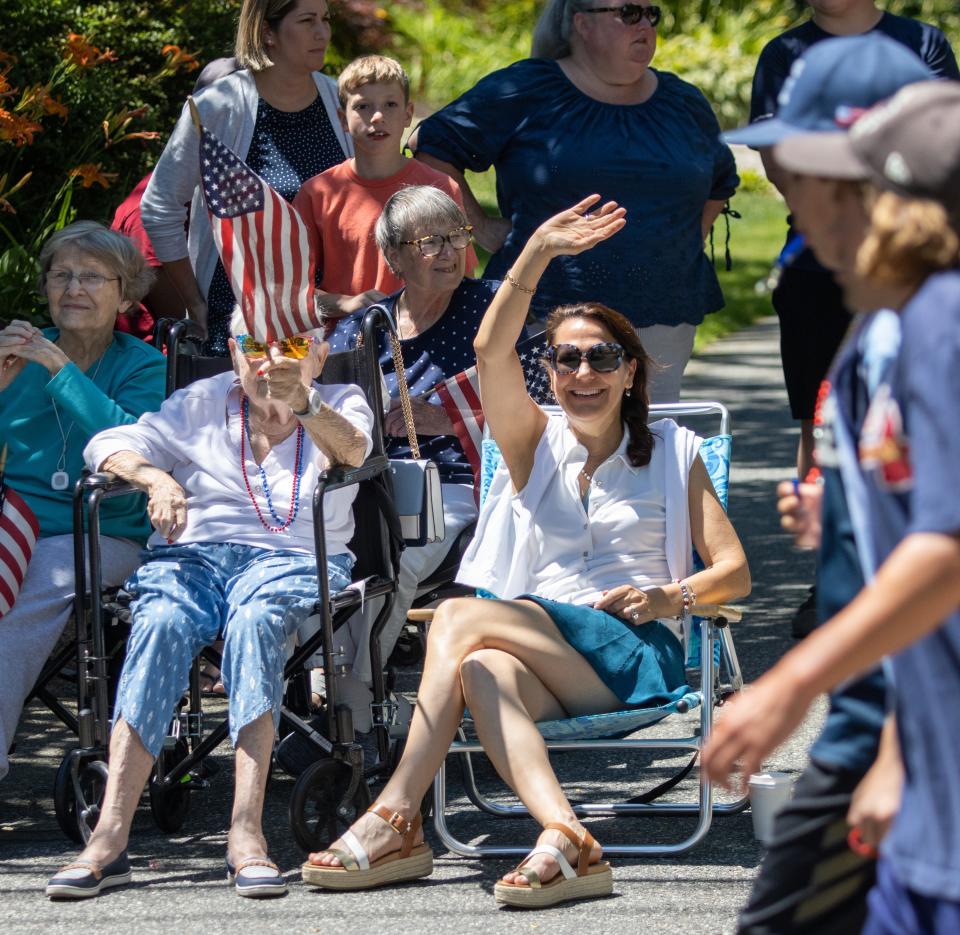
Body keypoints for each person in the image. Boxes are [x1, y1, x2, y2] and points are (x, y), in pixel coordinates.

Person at [300, 195, 750, 907]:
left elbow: (736, 574)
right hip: (547, 645)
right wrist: (535, 251)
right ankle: (566, 833)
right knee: (479, 665)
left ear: (631, 371)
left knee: (455, 619)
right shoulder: (533, 444)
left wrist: (670, 597)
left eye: (603, 357)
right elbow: (488, 350)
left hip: (632, 649)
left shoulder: (675, 451)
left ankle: (394, 815)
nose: (582, 371)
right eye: (565, 358)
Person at [703, 81, 960, 935]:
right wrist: (897, 751)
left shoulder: (942, 322)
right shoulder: (903, 323)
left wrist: (788, 686)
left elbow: (948, 552)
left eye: (830, 181)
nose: (796, 199)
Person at [44, 307, 374, 899]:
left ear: (319, 354)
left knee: (254, 622)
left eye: (292, 346)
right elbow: (112, 442)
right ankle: (110, 833)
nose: (271, 361)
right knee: (160, 619)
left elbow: (353, 452)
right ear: (232, 349)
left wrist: (303, 403)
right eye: (255, 346)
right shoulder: (202, 399)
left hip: (293, 558)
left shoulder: (339, 398)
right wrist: (154, 478)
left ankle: (247, 833)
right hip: (192, 555)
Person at [409, 0, 739, 403]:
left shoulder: (684, 102)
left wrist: (681, 244)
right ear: (582, 23)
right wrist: (479, 226)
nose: (645, 25)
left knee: (649, 451)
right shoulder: (530, 89)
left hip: (663, 318)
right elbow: (430, 145)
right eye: (628, 13)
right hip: (549, 317)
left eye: (651, 13)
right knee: (554, 451)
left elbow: (720, 182)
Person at [276, 186, 492, 767]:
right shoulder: (365, 328)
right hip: (365, 483)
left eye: (457, 237)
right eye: (430, 242)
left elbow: (543, 403)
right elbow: (319, 393)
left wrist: (446, 417)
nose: (449, 252)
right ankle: (320, 707)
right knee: (308, 557)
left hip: (456, 482)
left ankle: (356, 713)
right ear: (393, 258)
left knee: (390, 560)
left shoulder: (494, 310)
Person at [742, 0, 957, 483]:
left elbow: (939, 526)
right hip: (824, 282)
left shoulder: (940, 315)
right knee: (824, 422)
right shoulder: (785, 51)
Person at [0, 221, 166, 783]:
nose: (74, 287)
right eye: (62, 275)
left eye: (92, 277)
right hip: (13, 525)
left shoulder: (143, 364)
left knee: (24, 599)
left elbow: (133, 440)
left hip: (102, 531)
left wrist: (59, 369)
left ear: (124, 294)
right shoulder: (14, 357)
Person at [141, 0, 353, 356]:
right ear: (267, 32)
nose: (322, 33)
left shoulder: (341, 100)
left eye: (325, 20)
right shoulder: (218, 105)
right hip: (239, 325)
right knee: (255, 410)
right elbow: (159, 206)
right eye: (306, 21)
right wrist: (194, 302)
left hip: (334, 324)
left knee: (321, 411)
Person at [293, 55, 477, 319]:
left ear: (408, 114)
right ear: (343, 119)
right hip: (349, 344)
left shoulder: (440, 187)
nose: (377, 116)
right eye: (363, 107)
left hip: (428, 342)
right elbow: (292, 292)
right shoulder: (318, 193)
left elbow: (463, 278)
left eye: (390, 104)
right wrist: (346, 304)